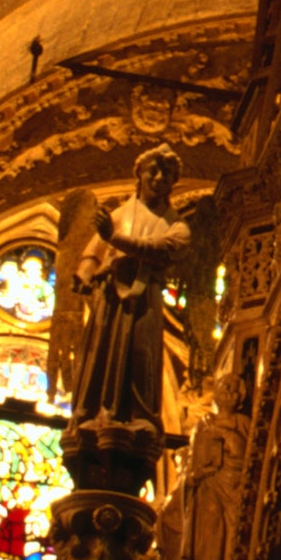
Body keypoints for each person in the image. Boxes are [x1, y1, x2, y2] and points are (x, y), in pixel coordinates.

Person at [70, 144, 190, 429]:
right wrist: (85, 274)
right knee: (101, 352)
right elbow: (93, 251)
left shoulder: (178, 227)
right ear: (139, 174)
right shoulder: (118, 215)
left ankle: (140, 417)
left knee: (140, 355)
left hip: (144, 297)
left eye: (168, 173)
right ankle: (94, 413)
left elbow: (157, 250)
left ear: (174, 182)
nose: (160, 177)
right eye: (154, 170)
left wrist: (115, 238)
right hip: (110, 296)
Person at [180, 378, 247, 560]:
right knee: (209, 537)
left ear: (239, 397)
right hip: (209, 488)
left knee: (233, 543)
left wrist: (225, 436)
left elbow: (246, 455)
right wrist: (195, 476)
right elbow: (193, 465)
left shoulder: (243, 423)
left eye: (232, 388)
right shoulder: (203, 424)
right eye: (223, 387)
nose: (227, 392)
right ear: (215, 394)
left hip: (234, 488)